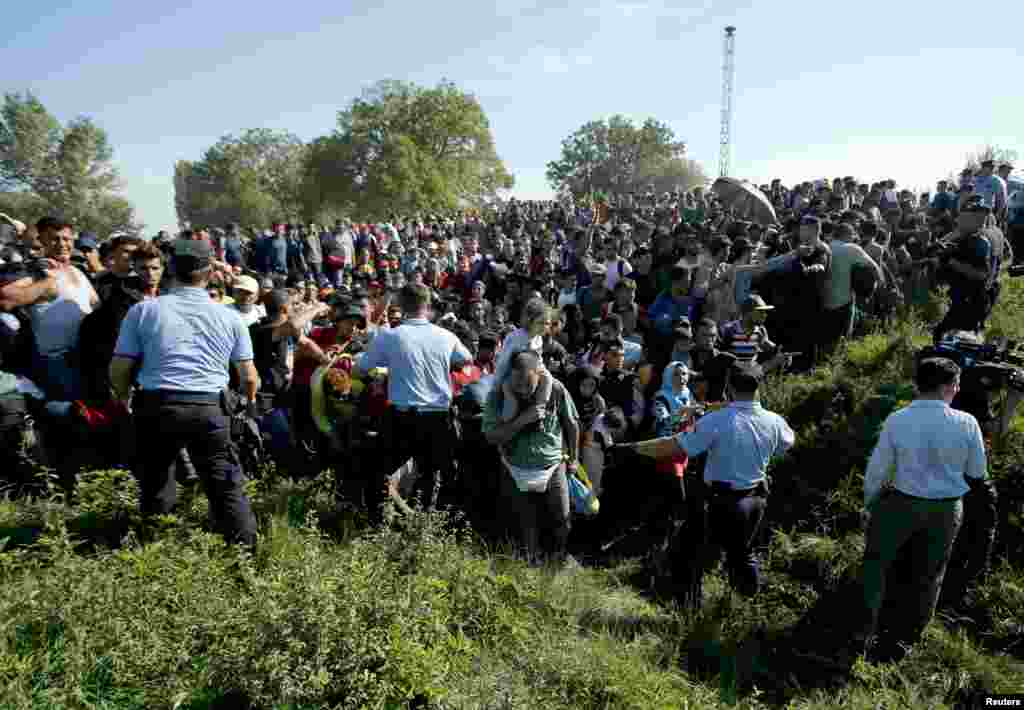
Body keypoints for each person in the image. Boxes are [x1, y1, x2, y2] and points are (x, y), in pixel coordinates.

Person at [109, 238, 259, 548]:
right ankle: (245, 559)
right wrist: (248, 404)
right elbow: (249, 377)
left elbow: (119, 369)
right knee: (226, 486)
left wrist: (123, 398)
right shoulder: (229, 316)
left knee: (156, 482)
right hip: (209, 407)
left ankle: (154, 552)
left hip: (157, 405)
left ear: (170, 270)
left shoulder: (143, 311)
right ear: (209, 273)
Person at [622, 362, 795, 597]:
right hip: (756, 498)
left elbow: (673, 446)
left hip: (722, 502)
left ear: (729, 388)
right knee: (742, 556)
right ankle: (746, 606)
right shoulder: (774, 421)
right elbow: (786, 444)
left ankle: (686, 607)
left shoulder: (717, 421)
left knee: (690, 555)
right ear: (758, 388)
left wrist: (631, 448)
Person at [859, 357, 991, 661]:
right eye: (956, 384)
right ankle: (907, 641)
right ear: (947, 387)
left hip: (901, 503)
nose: (958, 389)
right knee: (930, 574)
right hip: (946, 510)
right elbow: (977, 471)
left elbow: (877, 470)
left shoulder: (898, 419)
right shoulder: (967, 422)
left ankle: (864, 630)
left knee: (877, 566)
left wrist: (869, 504)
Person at [356, 283, 472, 514]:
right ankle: (424, 523)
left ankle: (385, 525)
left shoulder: (390, 336)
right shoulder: (445, 336)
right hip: (438, 417)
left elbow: (360, 369)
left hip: (402, 417)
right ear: (427, 306)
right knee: (432, 473)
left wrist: (389, 368)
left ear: (400, 304)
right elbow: (466, 359)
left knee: (379, 470)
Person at [482, 350, 580, 566]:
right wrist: (522, 420)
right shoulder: (497, 394)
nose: (524, 391)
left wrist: (574, 458)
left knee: (562, 518)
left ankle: (559, 560)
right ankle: (530, 563)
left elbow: (572, 425)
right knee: (526, 522)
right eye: (518, 385)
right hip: (515, 467)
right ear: (510, 376)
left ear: (540, 374)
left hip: (552, 466)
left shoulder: (555, 389)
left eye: (529, 385)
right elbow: (491, 436)